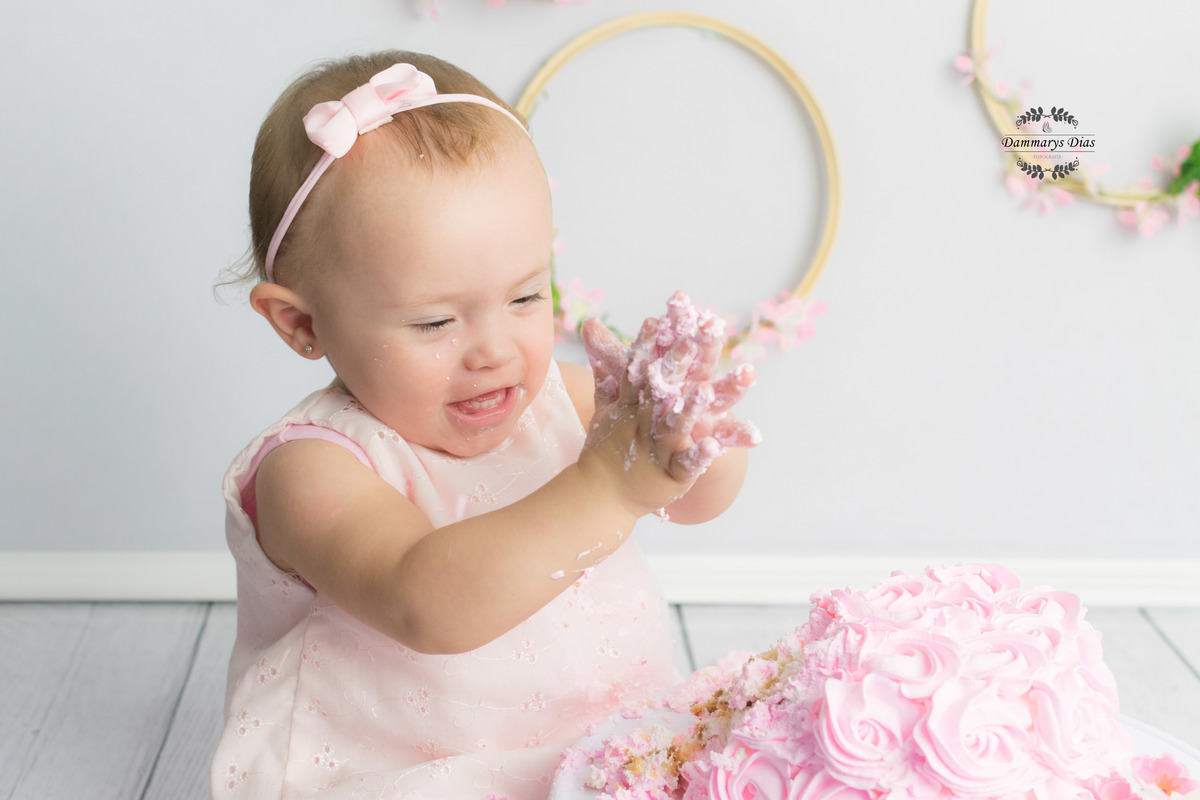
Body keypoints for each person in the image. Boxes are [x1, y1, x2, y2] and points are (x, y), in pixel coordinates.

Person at [212, 49, 756, 799]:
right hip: (408, 772)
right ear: (302, 323)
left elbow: (695, 503)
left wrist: (684, 441)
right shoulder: (311, 469)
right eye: (435, 322)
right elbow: (425, 604)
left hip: (606, 747)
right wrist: (608, 487)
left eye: (526, 298)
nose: (495, 351)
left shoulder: (561, 398)